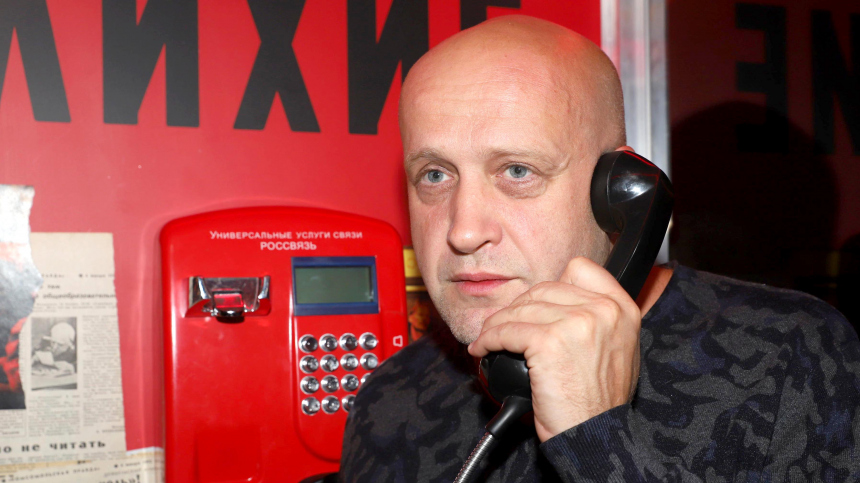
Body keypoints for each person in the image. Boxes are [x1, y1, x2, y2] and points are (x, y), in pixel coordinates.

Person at [338, 15, 860, 482]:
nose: (464, 231)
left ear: (618, 190)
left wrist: (595, 436)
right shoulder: (391, 401)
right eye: (434, 174)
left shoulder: (790, 358)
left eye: (517, 171)